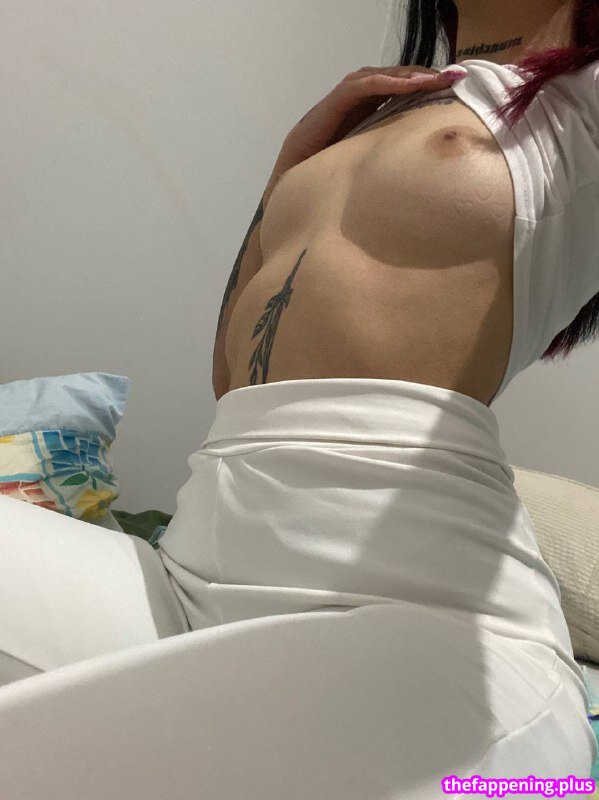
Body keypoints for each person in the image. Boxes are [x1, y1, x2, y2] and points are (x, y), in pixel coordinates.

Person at [1, 1, 598, 796]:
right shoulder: (402, 103)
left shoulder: (580, 105)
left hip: (424, 629)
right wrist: (292, 165)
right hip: (195, 581)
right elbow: (232, 377)